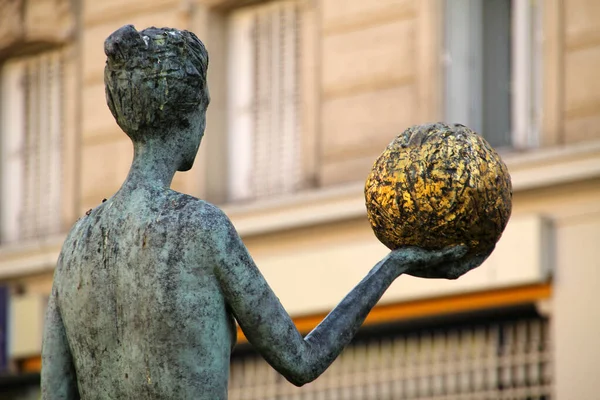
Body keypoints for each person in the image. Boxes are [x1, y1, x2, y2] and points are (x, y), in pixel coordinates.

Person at [41, 25, 489, 400]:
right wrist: (395, 263)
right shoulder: (200, 230)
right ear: (189, 116)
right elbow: (301, 361)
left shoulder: (75, 246)